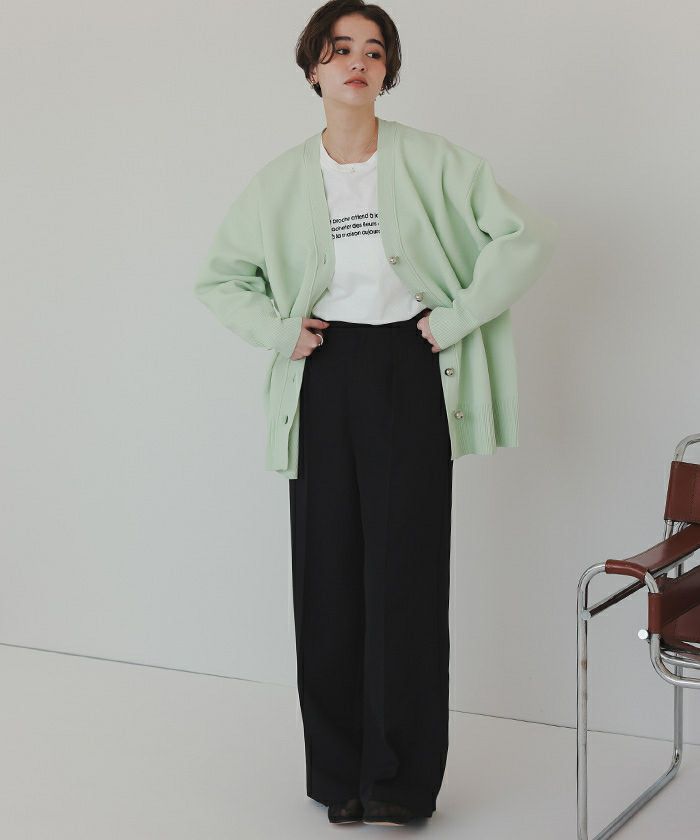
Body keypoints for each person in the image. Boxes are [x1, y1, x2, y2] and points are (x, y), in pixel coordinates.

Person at [194, 0, 558, 827]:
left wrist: (456, 318)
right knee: (326, 577)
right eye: (339, 49)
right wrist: (280, 331)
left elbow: (525, 237)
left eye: (373, 50)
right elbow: (220, 278)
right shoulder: (279, 180)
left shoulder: (434, 161)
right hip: (323, 374)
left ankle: (400, 783)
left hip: (410, 367)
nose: (357, 62)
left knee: (408, 575)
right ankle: (339, 778)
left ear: (387, 71)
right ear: (313, 68)